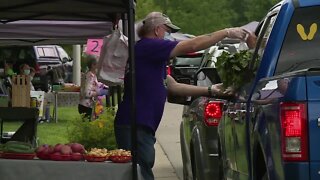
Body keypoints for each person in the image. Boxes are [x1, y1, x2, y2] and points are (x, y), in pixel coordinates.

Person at [114, 11, 253, 180]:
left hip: (140, 124)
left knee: (141, 170)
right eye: (167, 31)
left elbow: (173, 86)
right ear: (157, 30)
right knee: (140, 173)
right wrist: (226, 32)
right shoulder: (149, 46)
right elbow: (192, 45)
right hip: (135, 124)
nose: (168, 36)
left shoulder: (150, 56)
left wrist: (211, 90)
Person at [78, 55, 109, 121]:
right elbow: (86, 93)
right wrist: (99, 92)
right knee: (89, 126)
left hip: (92, 106)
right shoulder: (89, 77)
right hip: (86, 107)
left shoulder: (94, 76)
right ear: (93, 65)